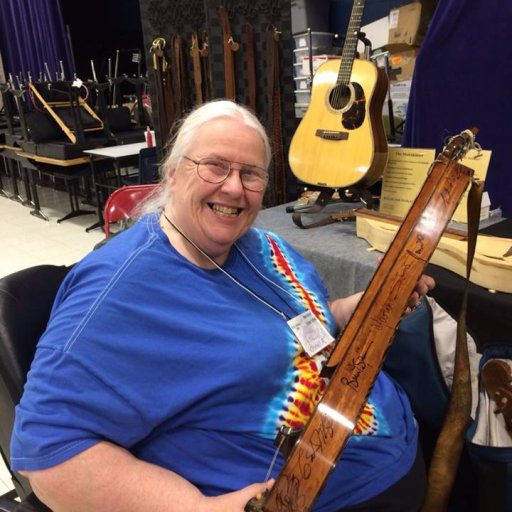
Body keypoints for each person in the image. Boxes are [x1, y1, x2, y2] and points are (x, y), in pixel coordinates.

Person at [11, 100, 434, 512]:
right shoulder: (118, 290)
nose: (234, 187)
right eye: (215, 166)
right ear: (173, 173)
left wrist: (353, 308)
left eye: (251, 173)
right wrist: (194, 507)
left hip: (398, 445)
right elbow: (47, 454)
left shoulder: (263, 245)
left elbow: (304, 330)